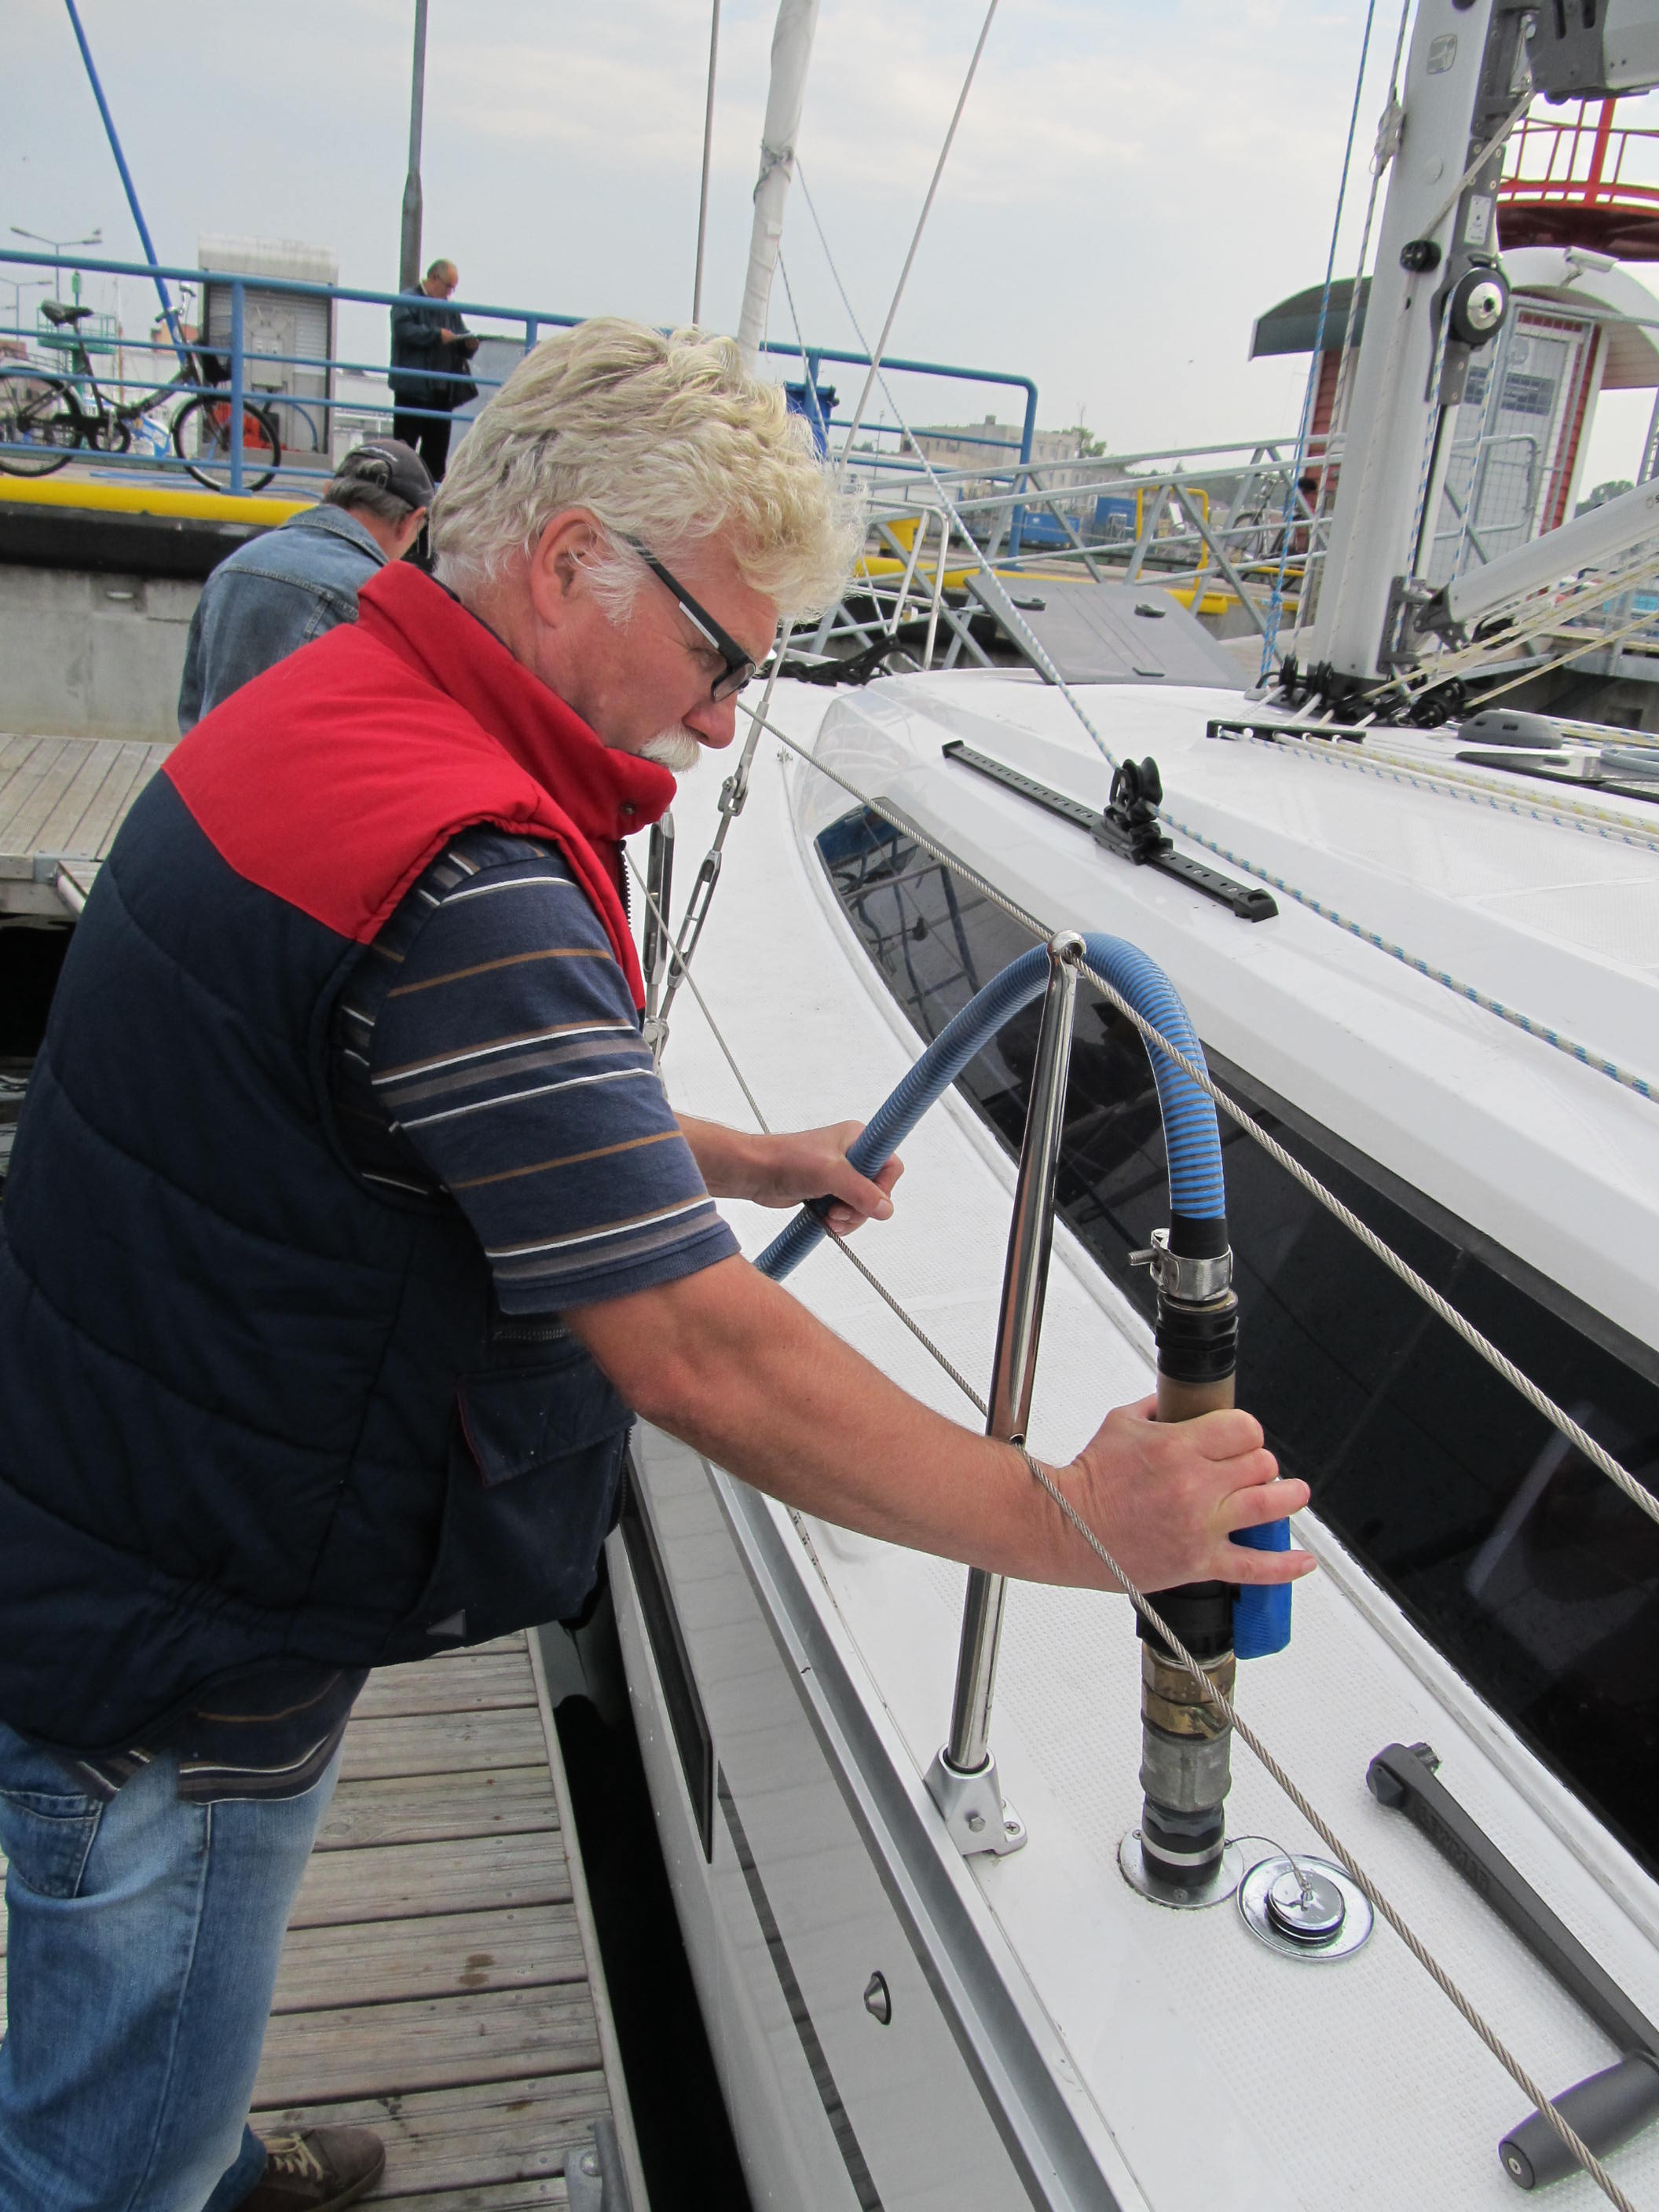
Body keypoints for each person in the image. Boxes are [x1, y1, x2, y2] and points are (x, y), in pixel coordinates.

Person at [0, 319, 1313, 2212]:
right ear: (567, 565)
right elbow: (699, 1352)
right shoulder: (464, 869)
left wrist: (733, 1154)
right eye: (720, 656)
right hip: (182, 1630)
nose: (720, 721)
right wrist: (1077, 1522)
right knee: (108, 2088)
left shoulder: (336, 709)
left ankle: (188, 2154)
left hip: (118, 1504)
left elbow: (378, 1085)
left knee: (152, 2013)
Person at [177, 439, 434, 731]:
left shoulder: (231, 569)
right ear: (410, 521)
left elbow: (192, 709)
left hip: (214, 760)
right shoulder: (378, 600)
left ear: (327, 492)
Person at [389, 258, 478, 483]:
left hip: (441, 393)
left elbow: (459, 334)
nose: (449, 293)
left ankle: (429, 498)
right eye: (448, 286)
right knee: (403, 453)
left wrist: (468, 345)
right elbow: (404, 331)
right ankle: (403, 491)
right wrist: (436, 336)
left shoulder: (449, 310)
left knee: (436, 460)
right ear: (434, 278)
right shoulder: (407, 301)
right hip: (412, 391)